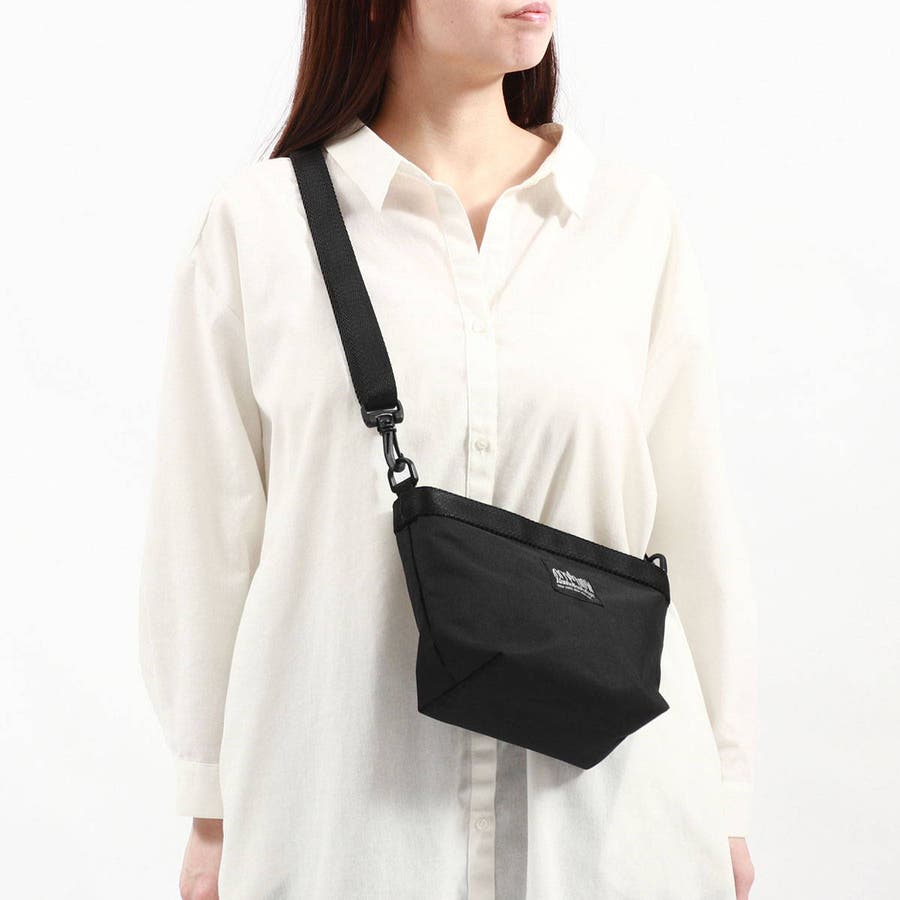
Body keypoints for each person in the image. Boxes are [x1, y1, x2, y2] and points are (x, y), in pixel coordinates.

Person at [137, 0, 758, 898]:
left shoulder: (631, 222)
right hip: (346, 838)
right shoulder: (259, 227)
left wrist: (725, 798)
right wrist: (209, 808)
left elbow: (695, 530)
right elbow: (204, 543)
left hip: (609, 834)